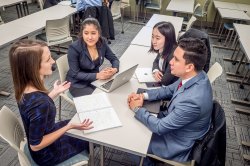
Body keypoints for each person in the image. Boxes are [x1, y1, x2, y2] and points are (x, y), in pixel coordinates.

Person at [127, 38, 213, 164]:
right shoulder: (196, 74)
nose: (171, 62)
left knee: (132, 142)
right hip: (175, 123)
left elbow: (159, 127)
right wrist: (143, 96)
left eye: (176, 59)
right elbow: (168, 90)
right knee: (137, 123)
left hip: (175, 144)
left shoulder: (193, 101)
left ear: (189, 67)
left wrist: (137, 108)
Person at [9, 39, 93, 165]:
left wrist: (54, 92)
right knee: (92, 137)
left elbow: (37, 109)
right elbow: (36, 145)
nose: (53, 61)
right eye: (48, 59)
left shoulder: (23, 89)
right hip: (48, 155)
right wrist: (68, 127)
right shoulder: (39, 103)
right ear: (33, 67)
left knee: (79, 124)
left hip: (46, 135)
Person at [66, 18, 119, 97]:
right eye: (86, 33)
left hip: (95, 80)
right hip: (78, 83)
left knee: (113, 92)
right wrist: (98, 75)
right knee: (99, 98)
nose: (90, 37)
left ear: (99, 33)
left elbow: (114, 59)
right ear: (82, 33)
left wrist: (114, 69)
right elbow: (75, 74)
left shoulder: (102, 42)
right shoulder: (74, 48)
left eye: (93, 33)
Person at [150, 22, 178, 86]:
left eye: (157, 38)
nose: (153, 41)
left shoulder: (173, 55)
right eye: (152, 37)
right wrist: (156, 71)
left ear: (168, 39)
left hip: (170, 89)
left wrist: (158, 76)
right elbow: (156, 61)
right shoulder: (163, 48)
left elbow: (165, 81)